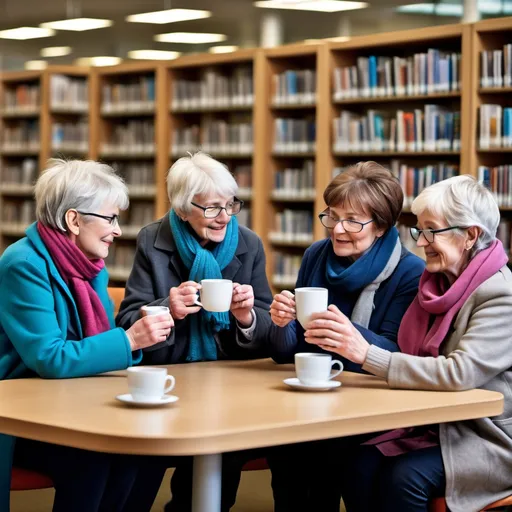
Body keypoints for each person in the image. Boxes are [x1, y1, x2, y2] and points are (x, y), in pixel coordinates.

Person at [307, 175, 512, 512]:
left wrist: (365, 353)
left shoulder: (499, 294)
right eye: (420, 231)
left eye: (432, 231)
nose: (421, 242)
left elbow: (459, 373)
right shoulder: (437, 283)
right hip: (437, 424)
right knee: (358, 462)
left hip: (486, 438)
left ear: (470, 236)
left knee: (404, 478)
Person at [0, 159, 172, 512]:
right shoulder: (23, 264)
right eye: (110, 218)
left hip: (75, 403)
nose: (118, 230)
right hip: (22, 414)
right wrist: (130, 340)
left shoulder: (90, 264)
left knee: (150, 450)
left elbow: (96, 341)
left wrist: (129, 337)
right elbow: (50, 357)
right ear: (73, 220)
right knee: (95, 459)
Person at [116, 151, 273, 511]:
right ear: (184, 209)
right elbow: (126, 322)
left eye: (230, 205)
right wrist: (167, 308)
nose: (224, 218)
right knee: (140, 466)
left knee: (222, 460)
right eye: (212, 208)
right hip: (169, 376)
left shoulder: (249, 244)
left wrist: (247, 316)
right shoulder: (152, 241)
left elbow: (268, 328)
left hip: (230, 383)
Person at [267, 161, 425, 511]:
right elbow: (285, 353)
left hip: (369, 405)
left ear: (382, 225)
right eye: (332, 216)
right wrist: (281, 323)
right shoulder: (315, 256)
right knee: (285, 450)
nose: (338, 229)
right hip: (310, 395)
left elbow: (398, 353)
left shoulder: (409, 272)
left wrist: (352, 338)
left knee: (330, 452)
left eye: (353, 220)